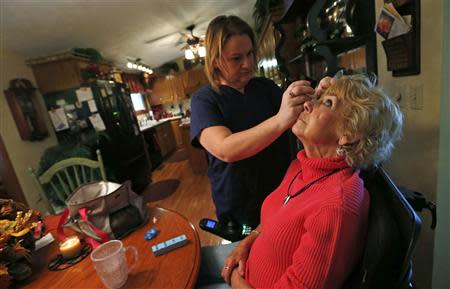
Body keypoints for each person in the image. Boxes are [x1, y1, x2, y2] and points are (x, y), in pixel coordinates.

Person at [195, 73, 403, 289]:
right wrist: (247, 243)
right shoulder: (302, 166)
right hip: (245, 260)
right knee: (193, 262)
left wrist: (237, 280)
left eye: (327, 103)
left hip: (243, 282)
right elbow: (270, 219)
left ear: (349, 134)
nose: (307, 105)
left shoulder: (335, 207)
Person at [190, 15, 316, 230]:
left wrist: (313, 97)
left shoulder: (265, 87)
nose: (248, 64)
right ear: (215, 60)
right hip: (240, 208)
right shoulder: (205, 100)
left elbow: (302, 119)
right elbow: (225, 149)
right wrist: (279, 120)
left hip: (282, 193)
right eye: (236, 58)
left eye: (250, 54)